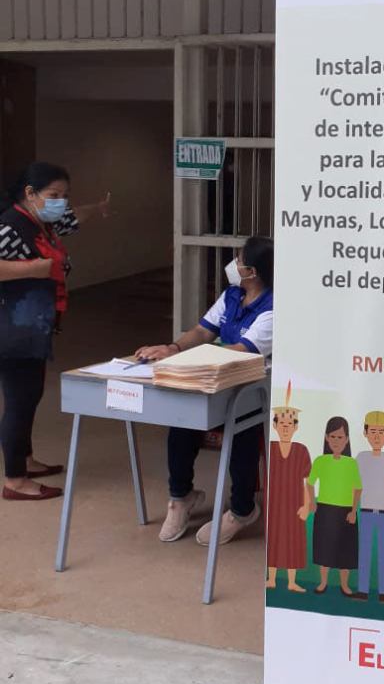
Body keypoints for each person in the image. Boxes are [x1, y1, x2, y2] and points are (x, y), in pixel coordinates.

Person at [136, 236, 273, 545]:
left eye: (239, 260)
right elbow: (202, 331)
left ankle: (242, 509)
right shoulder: (232, 295)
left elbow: (243, 350)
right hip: (212, 378)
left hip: (248, 387)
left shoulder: (272, 307)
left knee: (242, 436)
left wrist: (192, 360)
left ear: (252, 271)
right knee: (181, 423)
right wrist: (172, 349)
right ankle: (181, 496)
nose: (233, 264)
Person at [0, 162, 110, 501]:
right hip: (12, 330)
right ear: (30, 193)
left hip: (31, 326)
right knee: (20, 399)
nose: (61, 202)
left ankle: (25, 460)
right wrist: (34, 269)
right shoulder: (12, 226)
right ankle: (15, 480)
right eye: (54, 195)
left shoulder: (41, 221)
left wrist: (99, 207)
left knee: (30, 394)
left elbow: (73, 217)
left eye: (64, 195)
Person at [306, 416, 362, 596]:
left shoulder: (351, 463)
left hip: (345, 511)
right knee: (325, 548)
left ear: (347, 439)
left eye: (340, 437)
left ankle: (344, 585)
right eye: (333, 437)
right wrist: (312, 502)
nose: (336, 441)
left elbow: (358, 488)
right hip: (325, 510)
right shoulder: (320, 461)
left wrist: (353, 511)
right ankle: (323, 582)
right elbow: (310, 483)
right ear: (326, 438)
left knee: (345, 550)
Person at [264, 384, 312, 593]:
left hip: (295, 503)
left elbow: (307, 481)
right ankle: (272, 579)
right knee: (274, 537)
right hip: (274, 503)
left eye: (289, 424)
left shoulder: (301, 450)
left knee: (293, 540)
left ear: (295, 427)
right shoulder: (271, 448)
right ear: (275, 425)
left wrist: (307, 505)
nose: (285, 427)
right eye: (282, 423)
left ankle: (292, 581)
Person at [353, 410, 384, 604]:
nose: (377, 437)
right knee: (364, 551)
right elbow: (356, 485)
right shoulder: (361, 457)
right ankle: (362, 589)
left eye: (381, 432)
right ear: (365, 433)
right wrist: (353, 508)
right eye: (373, 432)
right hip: (366, 511)